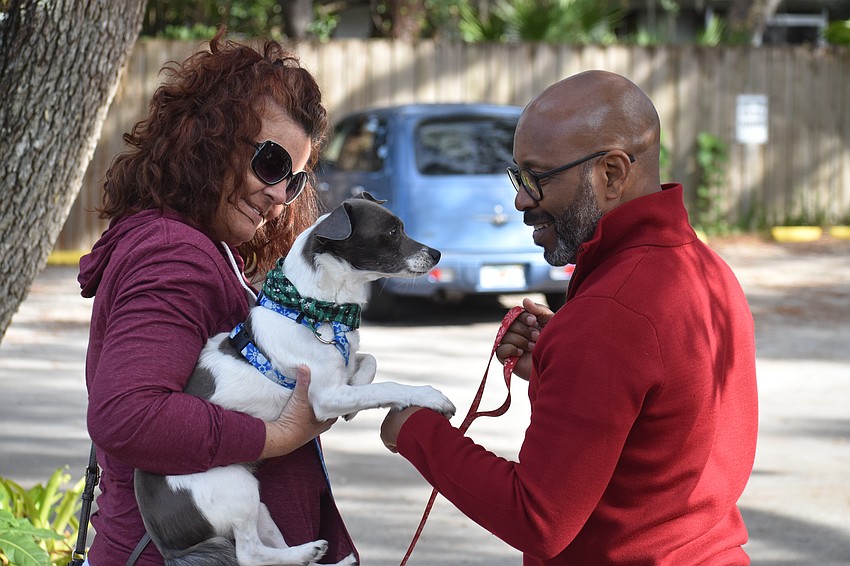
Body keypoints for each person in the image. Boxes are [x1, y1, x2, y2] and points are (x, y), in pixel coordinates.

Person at [380, 70, 758, 565]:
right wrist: (556, 364)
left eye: (536, 177)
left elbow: (538, 519)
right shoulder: (705, 268)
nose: (519, 199)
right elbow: (654, 430)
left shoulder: (609, 315)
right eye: (517, 176)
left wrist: (413, 431)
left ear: (613, 174)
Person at [78, 30, 357, 565]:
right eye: (272, 164)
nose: (279, 195)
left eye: (294, 182)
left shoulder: (194, 246)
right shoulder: (173, 257)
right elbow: (128, 416)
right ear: (209, 139)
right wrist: (275, 436)